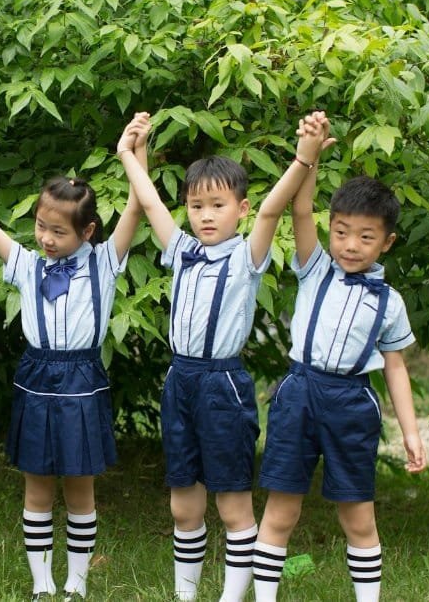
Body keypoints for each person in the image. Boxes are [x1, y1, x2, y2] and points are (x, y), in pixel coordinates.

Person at [116, 111, 335, 601]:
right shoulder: (182, 250)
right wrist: (130, 153)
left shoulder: (245, 255)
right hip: (180, 382)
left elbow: (273, 212)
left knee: (233, 503)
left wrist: (305, 158)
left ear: (239, 208)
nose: (206, 215)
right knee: (183, 506)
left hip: (223, 385)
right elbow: (149, 201)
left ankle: (232, 598)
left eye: (218, 205)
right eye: (197, 206)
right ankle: (185, 595)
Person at [252, 118, 427, 602]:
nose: (350, 245)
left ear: (386, 242)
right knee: (281, 508)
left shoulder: (388, 302)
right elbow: (300, 209)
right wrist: (308, 154)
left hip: (352, 403)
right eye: (343, 232)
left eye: (366, 237)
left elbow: (395, 367)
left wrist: (411, 433)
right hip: (299, 393)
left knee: (358, 513)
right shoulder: (315, 269)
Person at [0, 118, 147, 601]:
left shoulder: (106, 260)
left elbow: (137, 205)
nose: (45, 238)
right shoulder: (28, 265)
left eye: (57, 231)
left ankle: (76, 581)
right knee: (37, 485)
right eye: (40, 227)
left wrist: (137, 150)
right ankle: (42, 583)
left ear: (87, 230)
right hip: (36, 373)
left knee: (80, 487)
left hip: (83, 376)